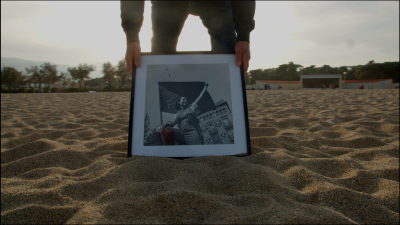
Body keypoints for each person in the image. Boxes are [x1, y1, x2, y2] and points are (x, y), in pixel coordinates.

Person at [121, 1, 255, 75]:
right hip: (168, 3)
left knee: (229, 55)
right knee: (160, 56)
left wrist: (243, 35)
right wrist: (132, 38)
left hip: (215, 2)